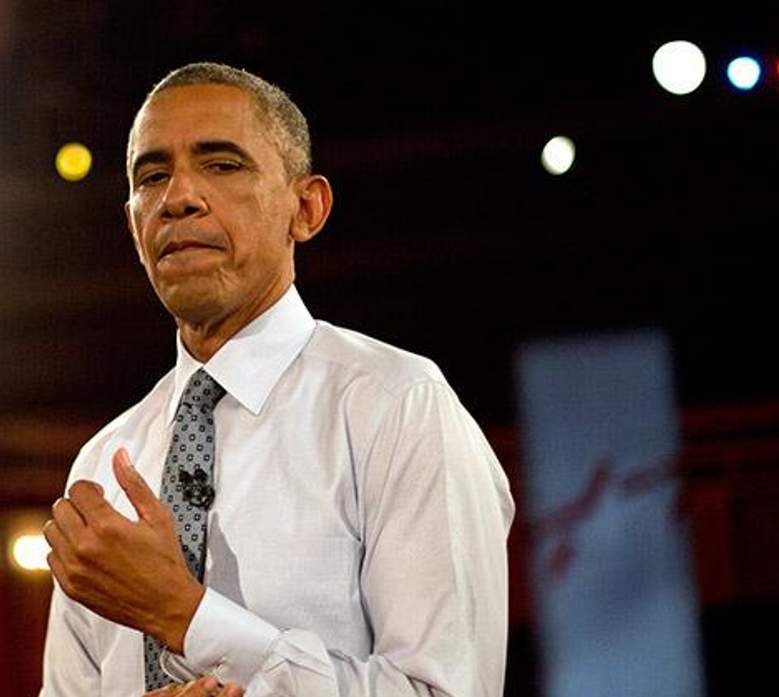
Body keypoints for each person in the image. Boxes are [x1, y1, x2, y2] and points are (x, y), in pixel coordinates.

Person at [39, 62, 514, 697]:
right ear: (133, 226)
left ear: (306, 207)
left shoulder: (397, 406)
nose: (178, 197)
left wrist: (186, 616)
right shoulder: (102, 465)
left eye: (222, 164)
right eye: (152, 176)